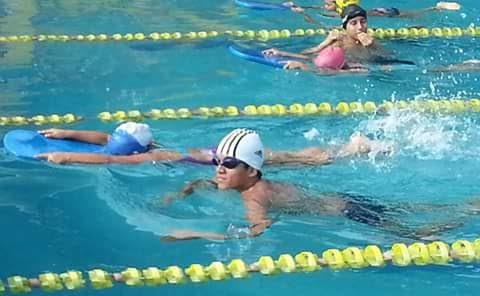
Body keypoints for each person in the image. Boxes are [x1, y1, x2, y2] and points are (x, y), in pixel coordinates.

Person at [161, 128, 457, 242]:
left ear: (251, 171)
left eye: (228, 164)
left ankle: (464, 216)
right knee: (418, 209)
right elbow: (208, 181)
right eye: (217, 163)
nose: (219, 170)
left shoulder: (255, 197)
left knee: (419, 234)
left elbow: (254, 232)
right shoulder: (250, 184)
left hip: (350, 213)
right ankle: (468, 207)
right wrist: (189, 187)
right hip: (345, 201)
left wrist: (196, 234)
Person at [35, 123, 386, 166]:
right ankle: (350, 146)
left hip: (231, 160)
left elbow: (112, 160)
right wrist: (67, 133)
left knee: (305, 161)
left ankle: (355, 149)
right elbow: (107, 141)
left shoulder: (156, 156)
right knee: (293, 156)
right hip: (222, 153)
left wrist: (67, 155)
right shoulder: (153, 144)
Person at [263, 4, 411, 70]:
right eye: (354, 23)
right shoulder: (339, 42)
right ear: (345, 27)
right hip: (353, 69)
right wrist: (282, 53)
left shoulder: (370, 39)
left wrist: (373, 46)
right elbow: (314, 56)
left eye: (363, 21)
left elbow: (389, 55)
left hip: (374, 67)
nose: (360, 27)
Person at [285, 0, 461, 19]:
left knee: (409, 15)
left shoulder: (345, 9)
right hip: (378, 10)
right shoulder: (338, 8)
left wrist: (305, 14)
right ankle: (435, 7)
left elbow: (324, 12)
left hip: (380, 12)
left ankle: (436, 7)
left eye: (326, 2)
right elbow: (318, 7)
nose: (324, 3)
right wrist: (298, 6)